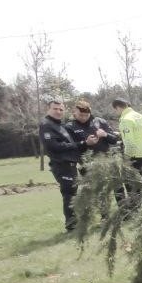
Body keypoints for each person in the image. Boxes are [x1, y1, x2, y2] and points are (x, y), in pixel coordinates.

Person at [38, 99, 97, 231]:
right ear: (48, 109)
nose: (58, 111)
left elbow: (69, 145)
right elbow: (54, 146)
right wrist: (82, 143)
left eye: (61, 109)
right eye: (55, 109)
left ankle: (75, 222)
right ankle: (71, 225)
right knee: (69, 194)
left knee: (73, 193)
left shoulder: (59, 125)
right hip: (61, 165)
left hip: (70, 165)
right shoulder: (46, 125)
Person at [111, 97, 142, 180]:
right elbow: (140, 133)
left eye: (115, 110)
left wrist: (126, 159)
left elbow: (129, 141)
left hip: (135, 156)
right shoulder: (141, 116)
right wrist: (121, 134)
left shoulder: (125, 120)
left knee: (132, 183)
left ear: (118, 107)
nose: (116, 112)